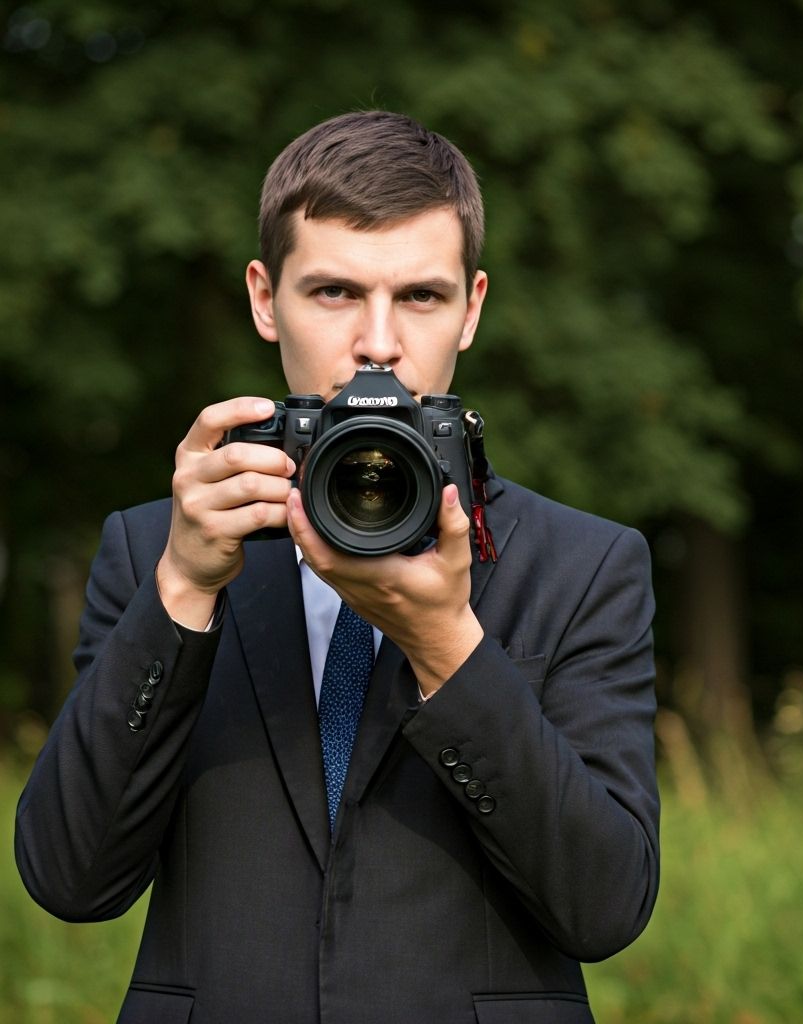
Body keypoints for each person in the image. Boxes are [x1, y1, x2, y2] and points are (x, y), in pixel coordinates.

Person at [15, 110, 659, 1024]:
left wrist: (446, 645)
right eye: (334, 293)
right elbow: (69, 879)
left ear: (472, 308)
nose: (378, 344)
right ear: (263, 297)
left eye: (421, 297)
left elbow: (606, 906)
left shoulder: (584, 566)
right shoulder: (157, 548)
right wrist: (185, 591)